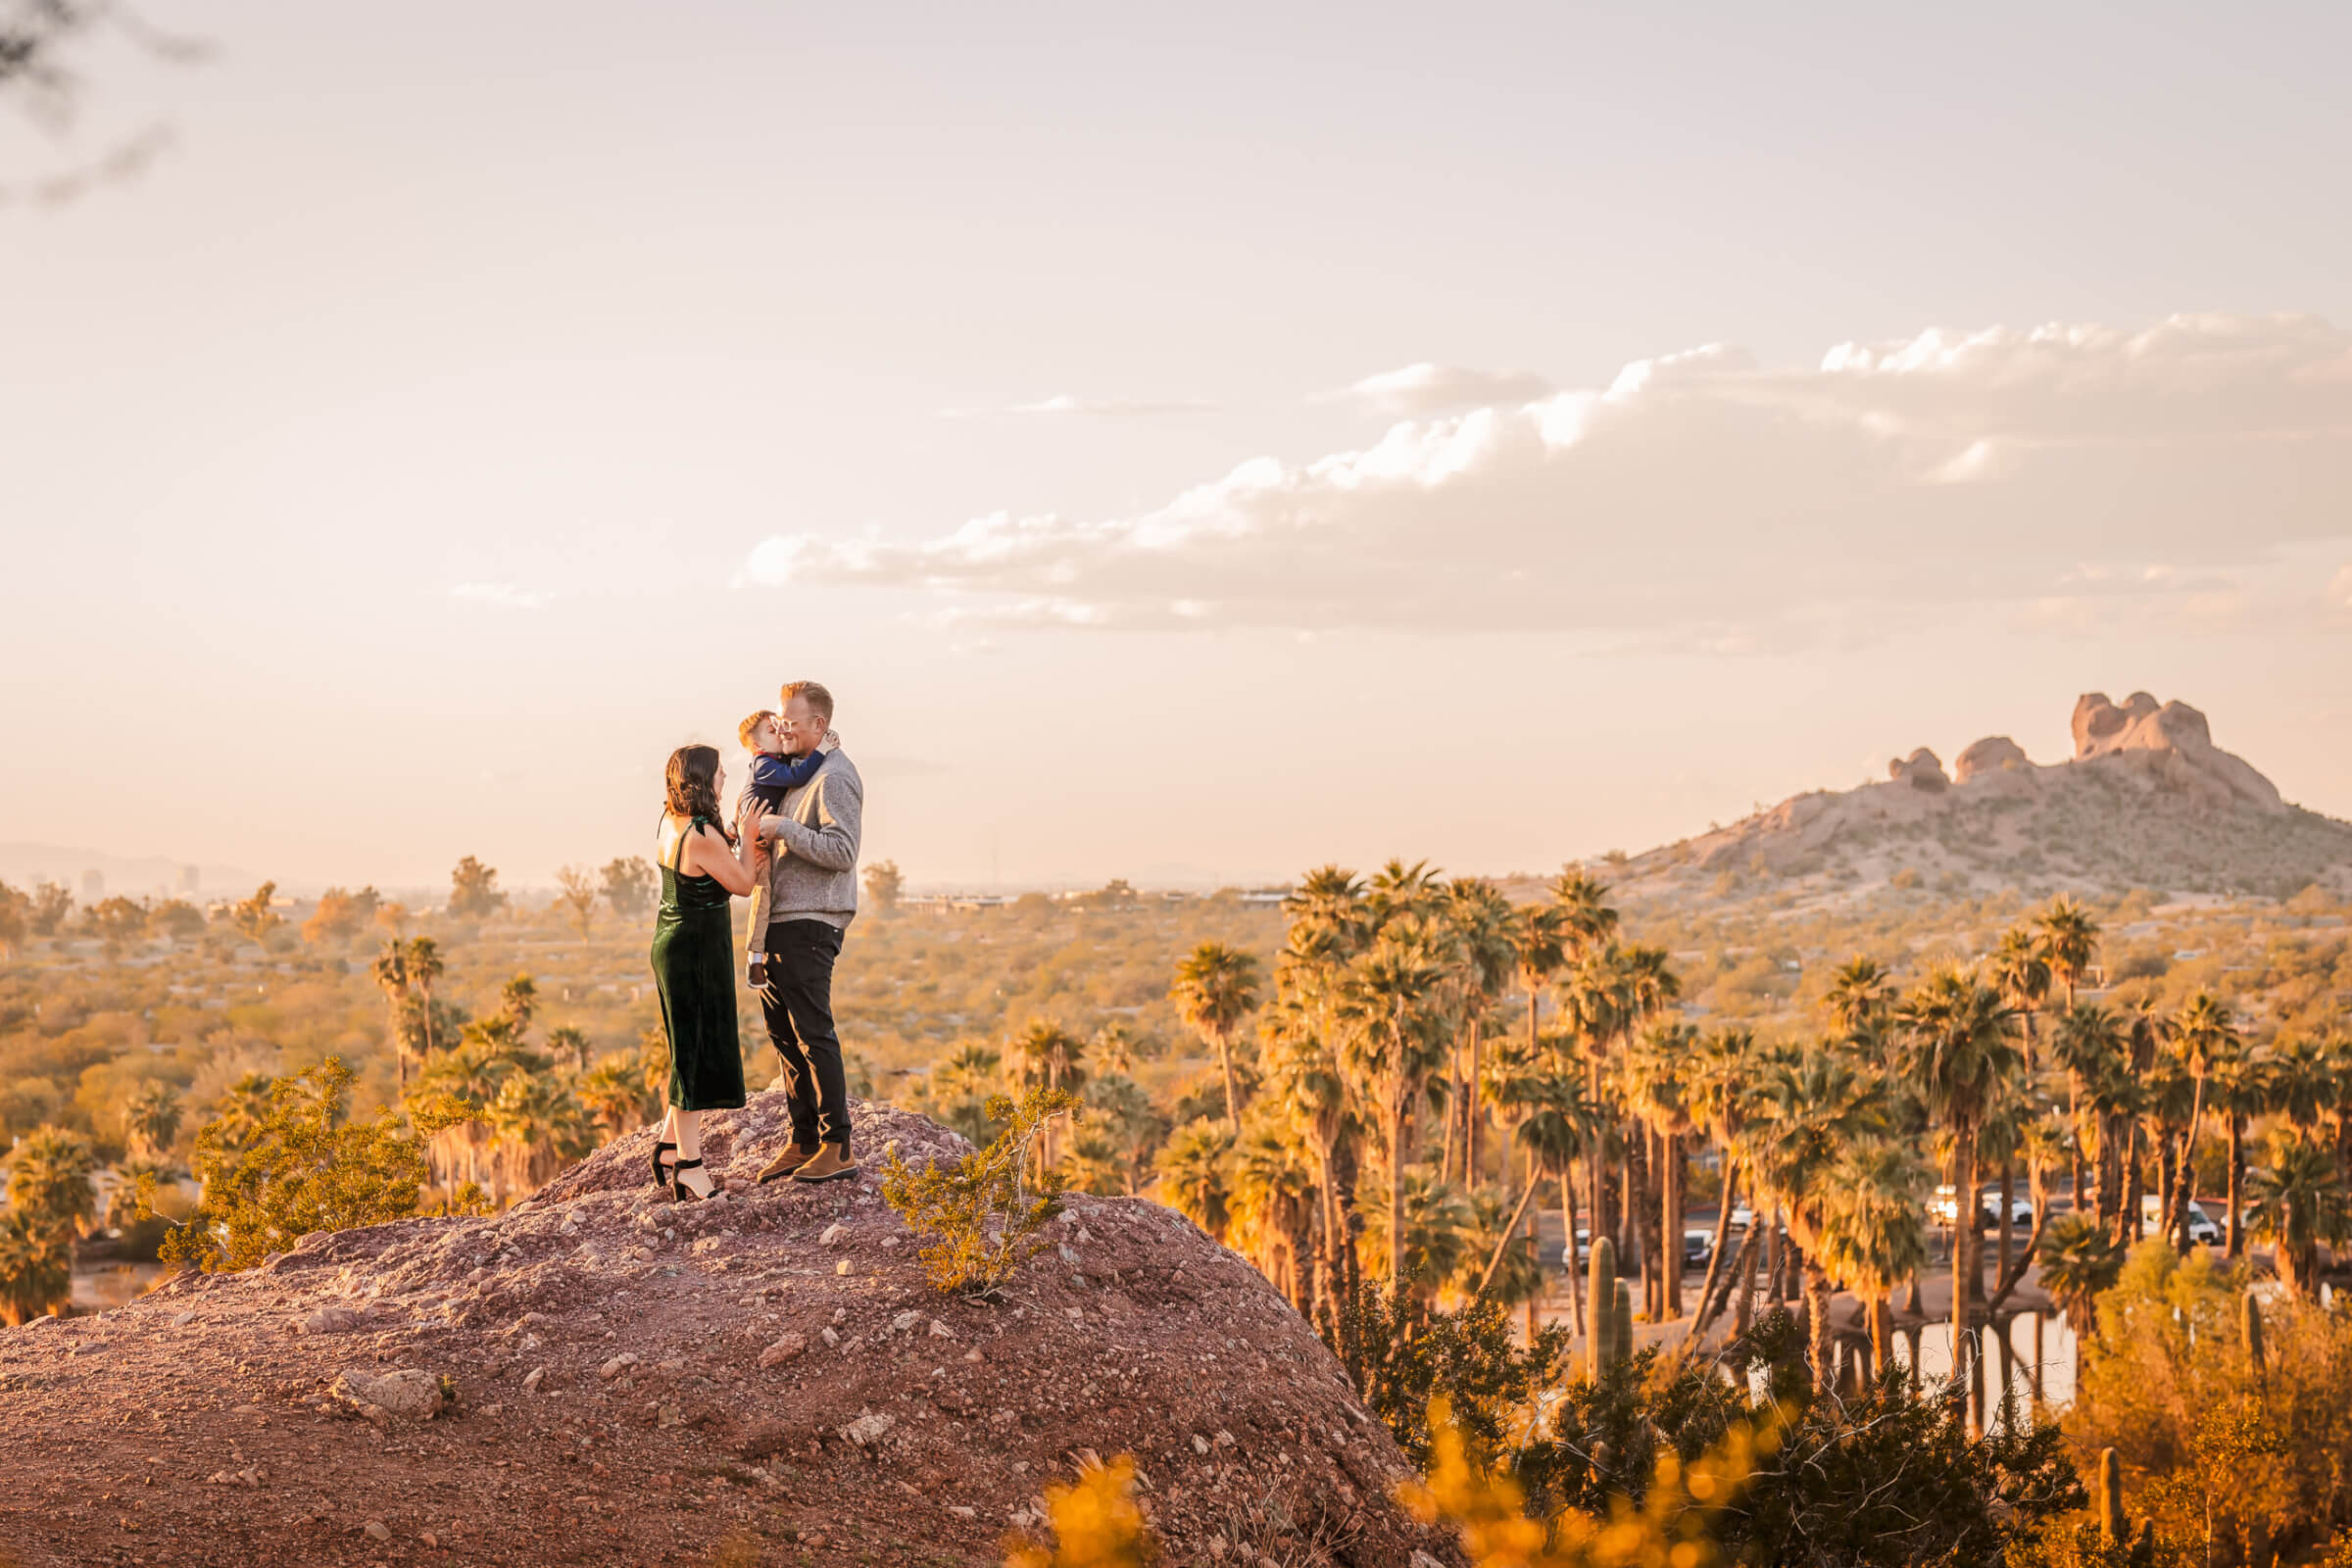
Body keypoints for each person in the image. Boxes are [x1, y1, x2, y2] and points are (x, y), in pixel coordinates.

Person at [739, 679, 864, 1186]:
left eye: (794, 721)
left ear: (821, 724)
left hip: (811, 922)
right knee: (785, 1039)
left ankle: (839, 1146)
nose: (785, 728)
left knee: (814, 1035)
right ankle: (803, 1138)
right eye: (782, 720)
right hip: (778, 922)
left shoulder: (834, 777)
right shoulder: (791, 776)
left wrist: (783, 831)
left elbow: (843, 852)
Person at [647, 743, 763, 1201]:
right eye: (718, 774)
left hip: (674, 944)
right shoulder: (698, 833)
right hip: (694, 950)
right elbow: (742, 883)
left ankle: (669, 1145)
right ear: (702, 780)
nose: (724, 780)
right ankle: (690, 1167)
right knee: (692, 1055)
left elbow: (707, 861)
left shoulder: (671, 822)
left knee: (686, 1047)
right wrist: (750, 839)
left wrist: (730, 837)